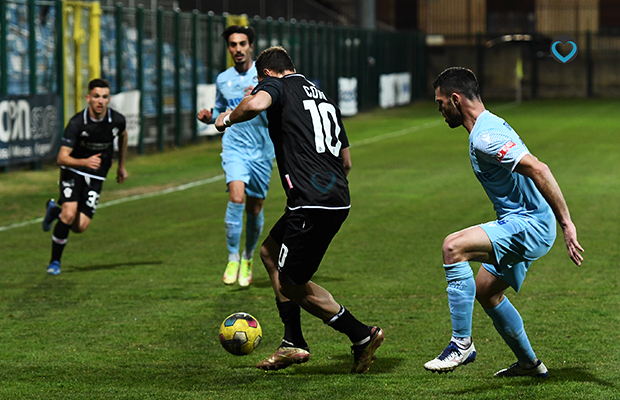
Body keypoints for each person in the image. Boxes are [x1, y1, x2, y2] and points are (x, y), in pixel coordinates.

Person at [213, 46, 384, 374]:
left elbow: (255, 104)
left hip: (311, 203)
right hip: (333, 197)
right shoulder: (322, 97)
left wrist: (227, 118)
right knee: (268, 252)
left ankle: (361, 335)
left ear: (266, 73)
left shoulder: (275, 85)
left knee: (292, 283)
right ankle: (293, 342)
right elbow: (346, 161)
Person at [424, 67, 584, 377]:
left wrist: (567, 224)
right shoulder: (490, 124)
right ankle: (530, 364)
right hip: (526, 222)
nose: (440, 110)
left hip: (529, 225)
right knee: (487, 291)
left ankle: (461, 344)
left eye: (441, 103)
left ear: (456, 100)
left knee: (453, 247)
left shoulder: (486, 137)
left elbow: (539, 169)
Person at [197, 25, 274, 287]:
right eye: (233, 44)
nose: (238, 49)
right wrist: (209, 118)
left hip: (262, 150)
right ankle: (232, 257)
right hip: (234, 147)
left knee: (255, 208)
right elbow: (219, 111)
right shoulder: (223, 79)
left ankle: (248, 257)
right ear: (228, 48)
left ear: (251, 46)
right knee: (236, 197)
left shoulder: (265, 76)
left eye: (242, 44)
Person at [42, 78, 128, 275]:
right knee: (70, 213)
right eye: (96, 96)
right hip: (74, 170)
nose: (100, 101)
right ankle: (54, 262)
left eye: (105, 97)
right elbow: (61, 158)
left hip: (97, 174)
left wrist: (121, 166)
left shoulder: (117, 120)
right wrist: (84, 162)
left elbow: (123, 136)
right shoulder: (76, 123)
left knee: (79, 226)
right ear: (88, 98)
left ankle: (54, 212)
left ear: (109, 99)